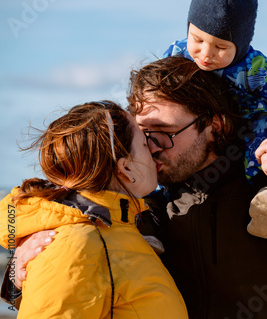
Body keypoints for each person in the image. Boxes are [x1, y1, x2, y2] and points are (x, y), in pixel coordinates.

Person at [5, 57, 267, 318]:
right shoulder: (143, 207)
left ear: (214, 125)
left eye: (165, 133)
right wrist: (15, 274)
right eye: (144, 136)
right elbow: (78, 284)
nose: (152, 148)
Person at [0, 101, 188, 318]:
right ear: (125, 168)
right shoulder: (78, 245)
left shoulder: (119, 228)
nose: (154, 147)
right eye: (144, 143)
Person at [163, 0, 267, 240]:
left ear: (241, 45)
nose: (206, 54)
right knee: (160, 166)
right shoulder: (177, 55)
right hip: (199, 131)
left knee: (264, 162)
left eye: (221, 46)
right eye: (197, 39)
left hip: (245, 131)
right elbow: (154, 88)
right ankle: (151, 222)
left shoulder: (254, 69)